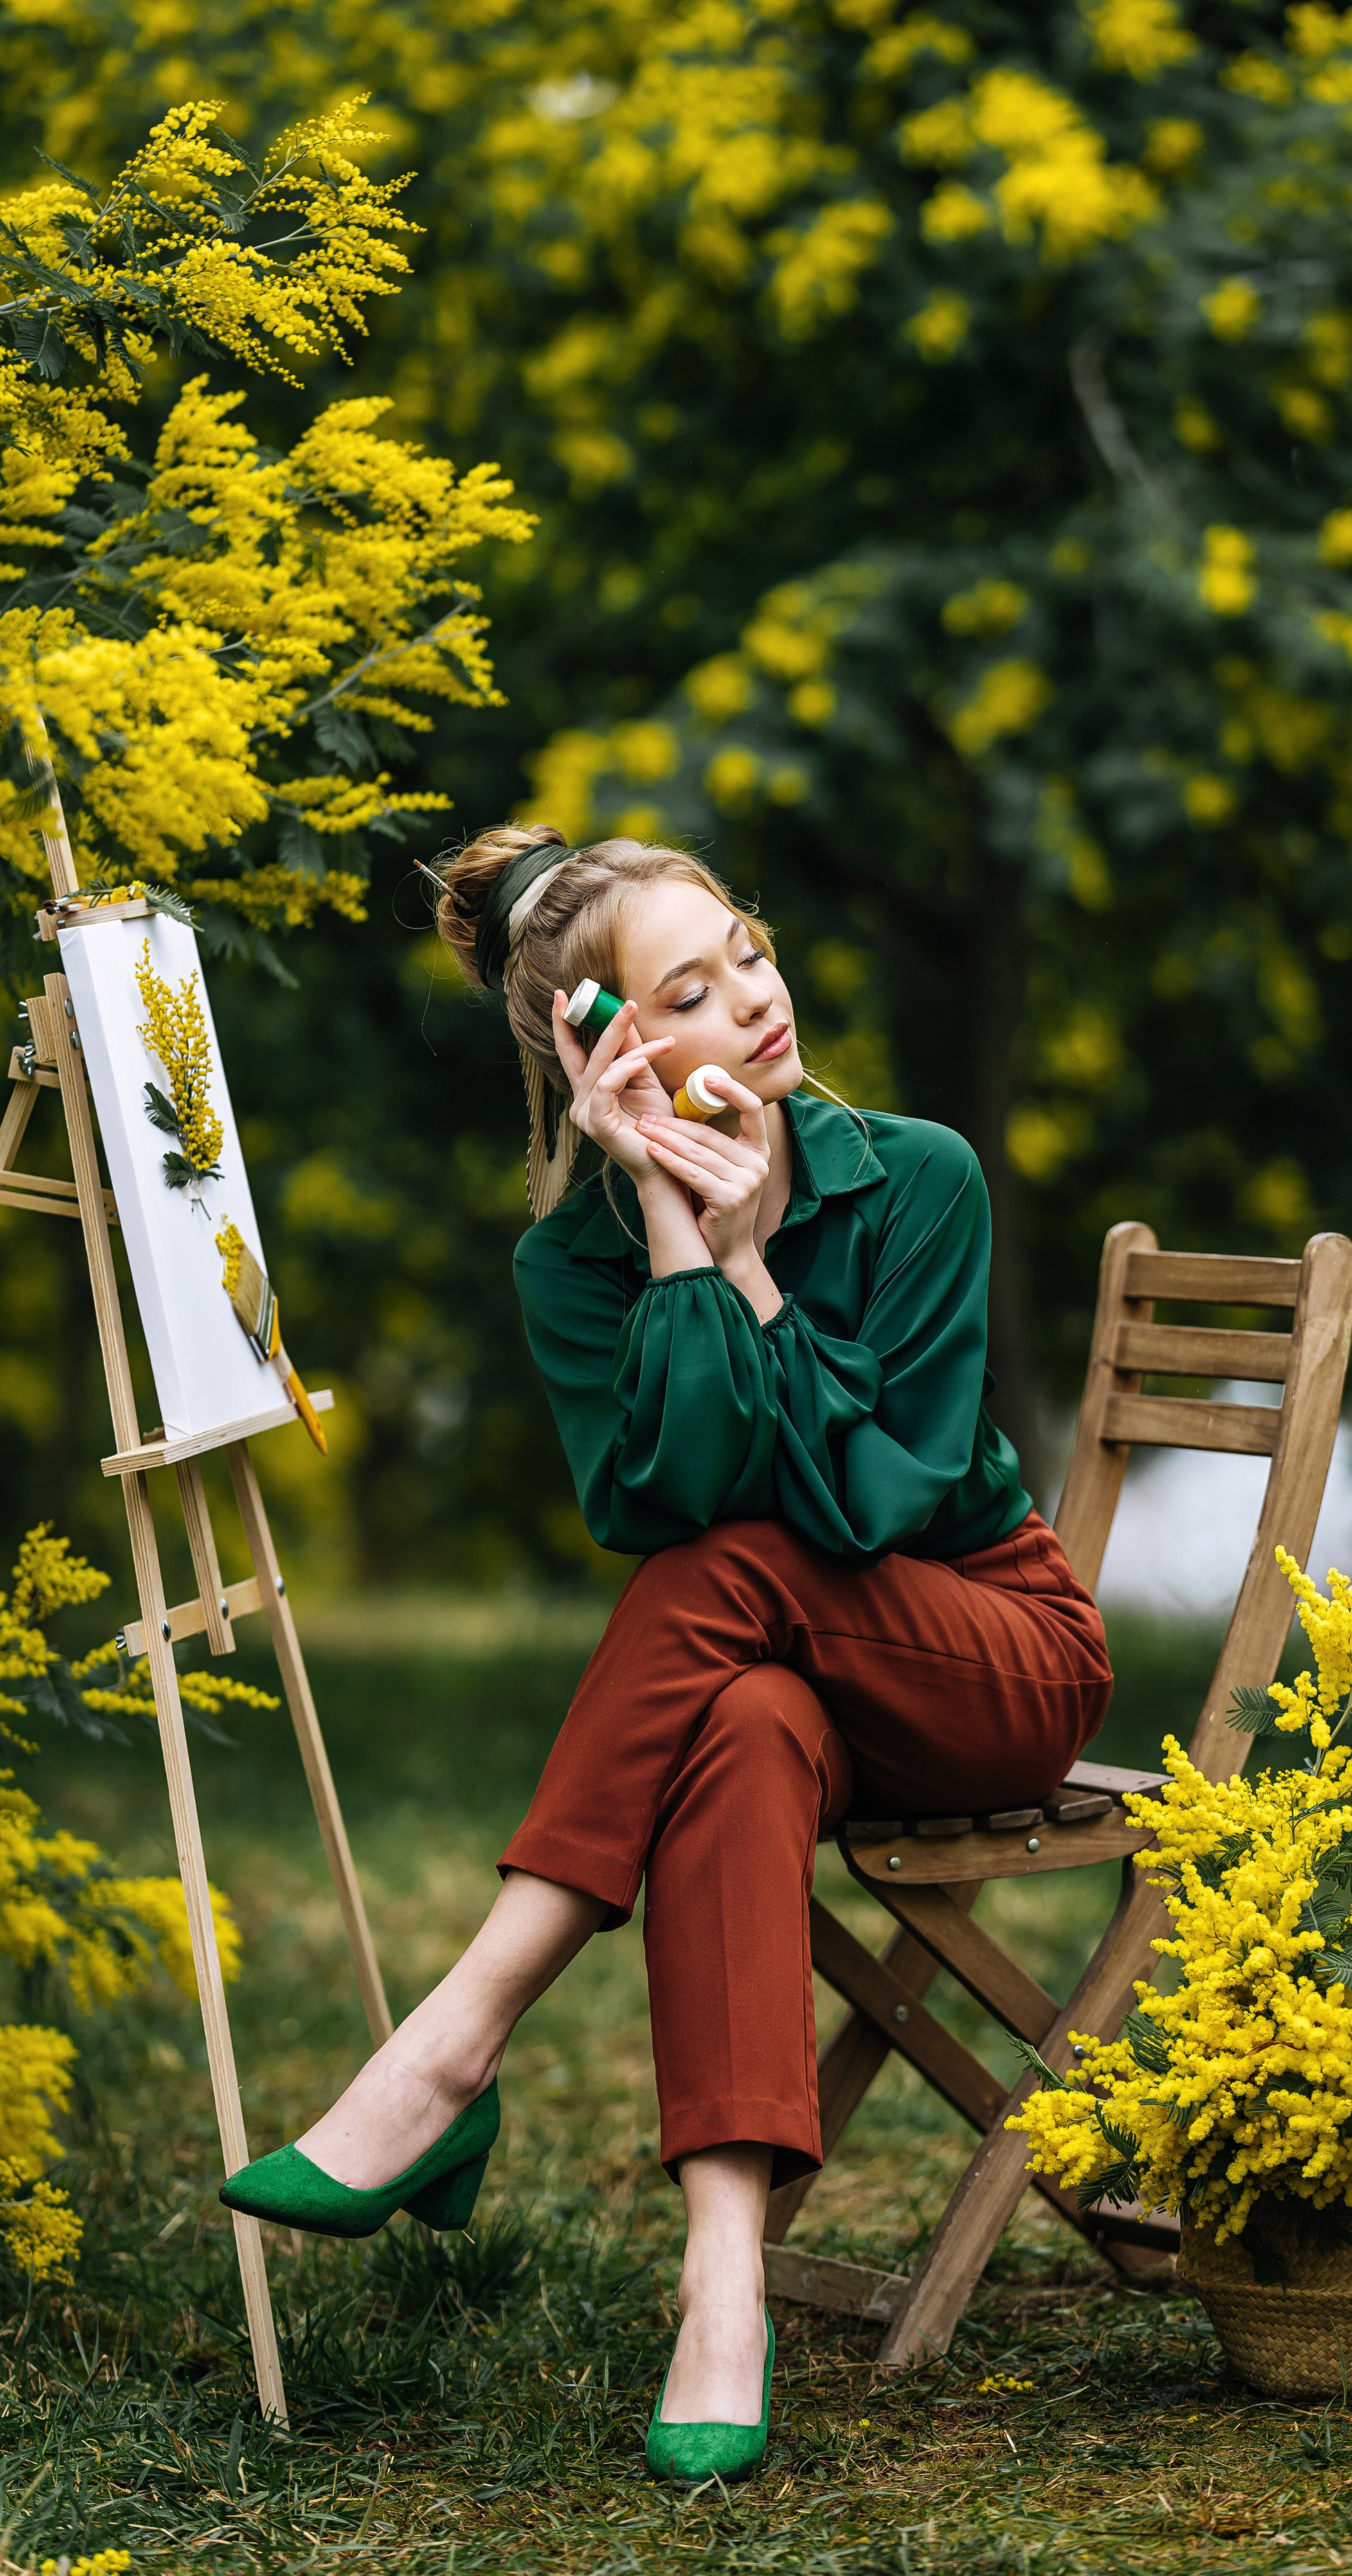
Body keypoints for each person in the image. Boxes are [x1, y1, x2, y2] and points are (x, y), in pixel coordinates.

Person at [219, 829, 1113, 2480]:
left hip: (991, 1657)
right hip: (797, 1677)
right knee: (744, 1721)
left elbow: (871, 1507)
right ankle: (722, 2291)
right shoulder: (567, 1265)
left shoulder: (915, 1176)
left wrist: (760, 1266)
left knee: (745, 1574)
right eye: (689, 992)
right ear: (609, 1053)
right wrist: (668, 1229)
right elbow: (661, 1502)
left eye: (749, 953)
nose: (758, 1002)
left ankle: (457, 2039)